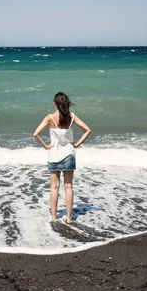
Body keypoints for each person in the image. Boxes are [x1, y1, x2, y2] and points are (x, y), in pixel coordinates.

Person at [33, 92, 92, 223]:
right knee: (68, 186)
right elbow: (88, 130)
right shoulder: (72, 117)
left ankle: (54, 217)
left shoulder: (50, 118)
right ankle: (69, 218)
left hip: (54, 154)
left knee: (54, 186)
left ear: (55, 104)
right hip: (69, 154)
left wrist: (46, 146)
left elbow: (36, 134)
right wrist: (76, 144)